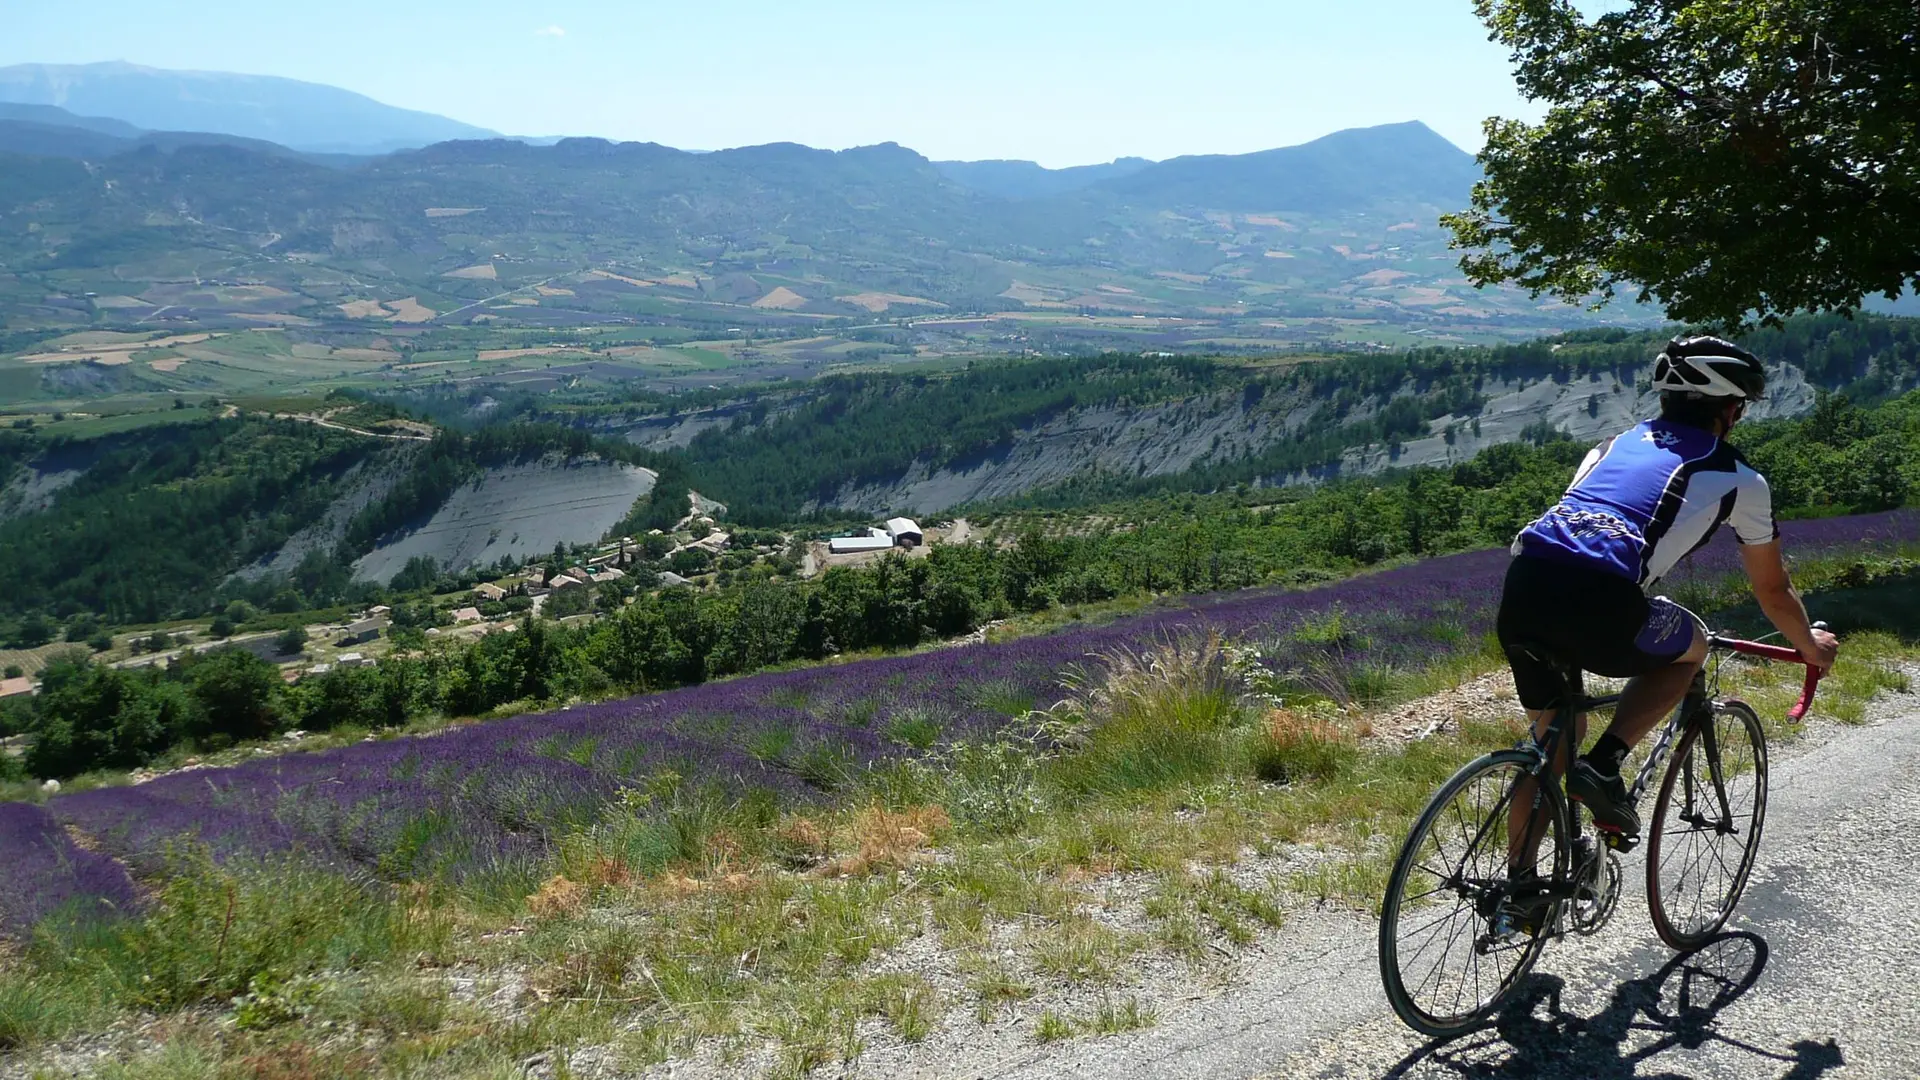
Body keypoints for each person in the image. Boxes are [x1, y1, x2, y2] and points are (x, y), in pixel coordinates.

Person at [1491, 337, 1839, 917]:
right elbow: (1773, 591)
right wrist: (1811, 649)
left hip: (1523, 587)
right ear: (1731, 410)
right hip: (1604, 600)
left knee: (1548, 747)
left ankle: (1522, 890)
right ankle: (1604, 765)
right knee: (1691, 647)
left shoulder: (1612, 445)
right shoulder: (1739, 478)